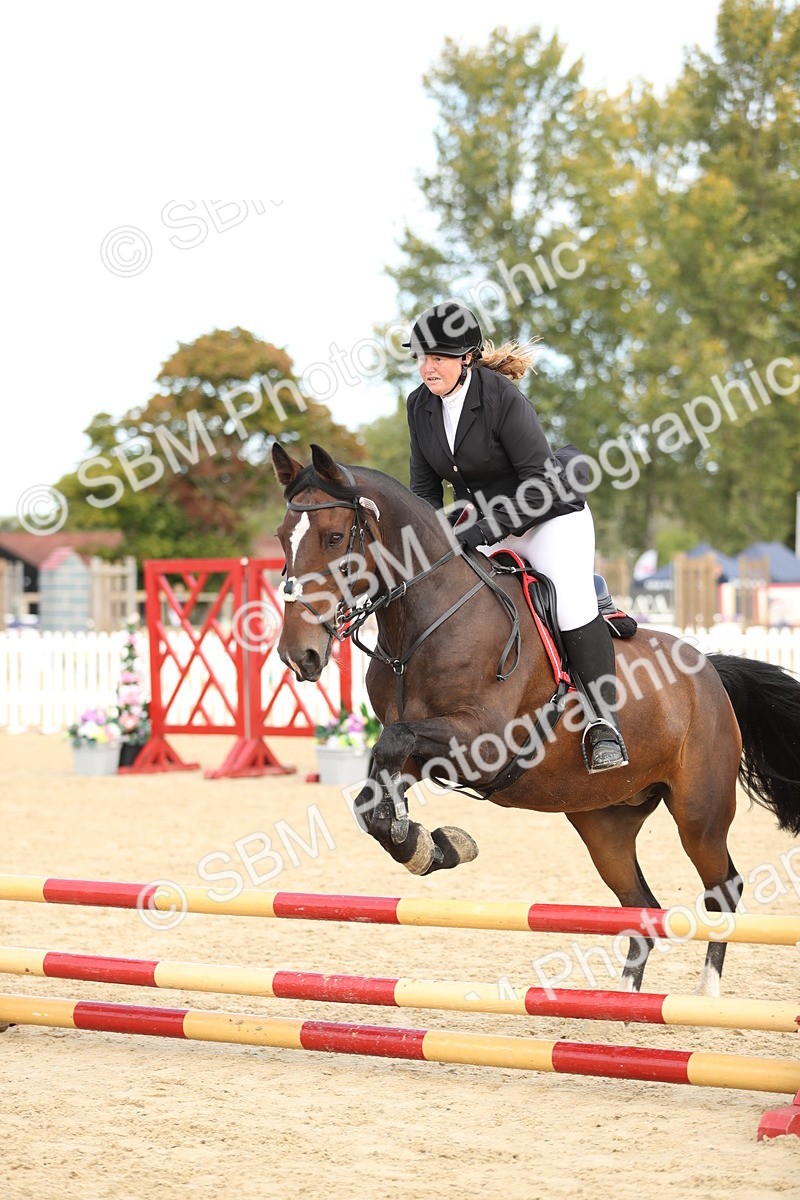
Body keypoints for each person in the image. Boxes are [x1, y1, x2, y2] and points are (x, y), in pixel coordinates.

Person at [404, 300, 628, 772]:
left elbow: (540, 485)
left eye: (438, 357)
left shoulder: (500, 397)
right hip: (487, 520)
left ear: (466, 358)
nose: (427, 368)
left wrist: (480, 531)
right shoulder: (419, 406)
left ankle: (603, 723)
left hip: (549, 515)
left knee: (565, 598)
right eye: (421, 357)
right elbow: (423, 492)